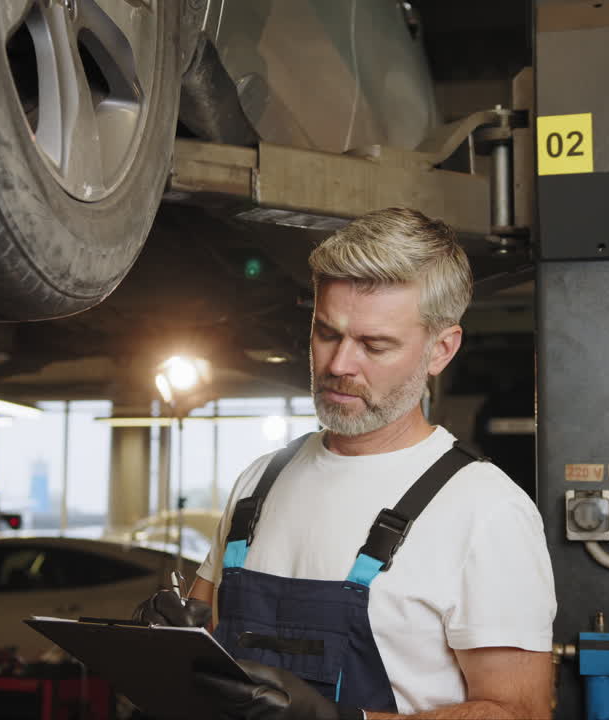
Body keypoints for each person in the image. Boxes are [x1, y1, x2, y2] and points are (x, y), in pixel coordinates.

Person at [136, 208, 555, 719]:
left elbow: (520, 713)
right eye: (327, 333)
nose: (338, 365)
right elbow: (209, 650)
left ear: (441, 349)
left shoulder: (485, 510)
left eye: (374, 345)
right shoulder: (261, 480)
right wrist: (166, 648)